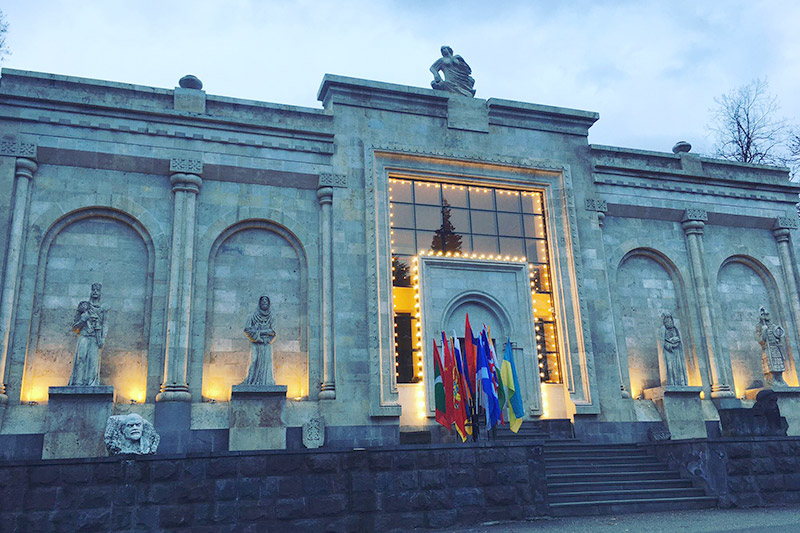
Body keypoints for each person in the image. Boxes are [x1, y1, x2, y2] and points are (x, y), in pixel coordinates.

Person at [68, 283, 108, 386]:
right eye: (93, 290)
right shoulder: (83, 306)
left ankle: (92, 383)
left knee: (93, 361)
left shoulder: (102, 309)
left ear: (100, 293)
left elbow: (105, 324)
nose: (95, 292)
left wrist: (102, 338)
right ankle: (78, 382)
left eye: (97, 290)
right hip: (84, 335)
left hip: (95, 337)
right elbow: (74, 327)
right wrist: (83, 319)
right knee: (81, 358)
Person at [241, 294, 277, 385]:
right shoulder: (252, 316)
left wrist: (258, 331)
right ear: (259, 303)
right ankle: (251, 381)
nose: (264, 301)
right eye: (262, 300)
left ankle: (266, 383)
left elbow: (273, 332)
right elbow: (247, 330)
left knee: (267, 364)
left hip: (266, 344)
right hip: (256, 343)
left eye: (266, 300)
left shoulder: (272, 317)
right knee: (254, 361)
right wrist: (261, 334)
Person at [757, 306, 786, 385]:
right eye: (764, 314)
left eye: (767, 314)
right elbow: (761, 340)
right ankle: (772, 379)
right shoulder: (760, 326)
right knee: (770, 364)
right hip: (767, 348)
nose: (766, 316)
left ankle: (780, 379)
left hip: (776, 347)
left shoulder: (774, 326)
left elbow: (779, 336)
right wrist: (764, 330)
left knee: (779, 364)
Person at [661, 312, 687, 386]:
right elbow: (662, 342)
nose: (669, 322)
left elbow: (679, 339)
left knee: (679, 367)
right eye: (667, 321)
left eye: (670, 321)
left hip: (677, 352)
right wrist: (669, 345)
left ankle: (681, 382)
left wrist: (676, 342)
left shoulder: (676, 329)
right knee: (670, 368)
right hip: (669, 352)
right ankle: (671, 382)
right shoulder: (663, 330)